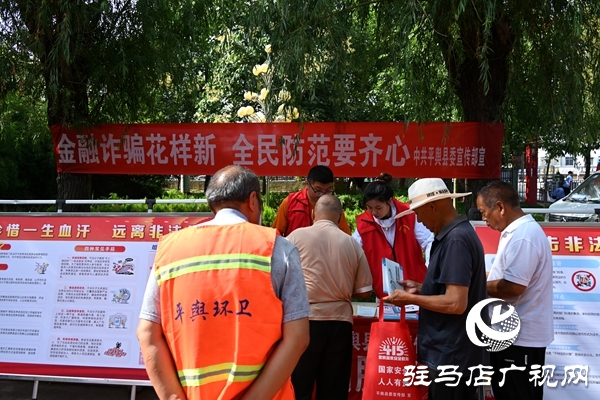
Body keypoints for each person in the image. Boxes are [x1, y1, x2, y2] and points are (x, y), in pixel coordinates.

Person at [137, 165, 310, 400]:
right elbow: (297, 337)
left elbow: (147, 334)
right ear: (252, 200)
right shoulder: (278, 249)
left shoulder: (169, 252)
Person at [383, 178, 487, 400]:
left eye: (418, 214)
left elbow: (456, 303)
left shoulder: (456, 240)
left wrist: (411, 300)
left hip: (453, 354)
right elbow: (454, 288)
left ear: (433, 207)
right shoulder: (456, 234)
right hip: (453, 352)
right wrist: (423, 288)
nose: (419, 221)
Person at [287, 194, 373, 400]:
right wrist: (342, 289)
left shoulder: (294, 238)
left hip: (304, 320)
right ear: (340, 216)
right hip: (340, 324)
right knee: (333, 390)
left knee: (299, 387)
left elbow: (279, 279)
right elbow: (365, 291)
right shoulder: (352, 243)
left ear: (313, 213)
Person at [476, 181, 553, 400]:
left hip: (520, 339)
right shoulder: (516, 232)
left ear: (500, 207)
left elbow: (513, 286)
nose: (484, 219)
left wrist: (474, 286)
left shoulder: (523, 236)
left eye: (483, 212)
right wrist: (476, 277)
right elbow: (504, 276)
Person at [352, 173, 433, 299]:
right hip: (383, 293)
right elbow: (352, 252)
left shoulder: (410, 215)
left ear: (390, 201)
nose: (374, 212)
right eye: (369, 208)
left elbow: (429, 241)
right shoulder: (363, 224)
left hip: (415, 289)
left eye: (378, 207)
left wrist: (430, 268)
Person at [273, 165, 351, 236]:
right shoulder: (289, 202)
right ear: (307, 184)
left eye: (328, 190)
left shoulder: (334, 206)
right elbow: (276, 234)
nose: (322, 194)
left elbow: (345, 235)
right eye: (318, 190)